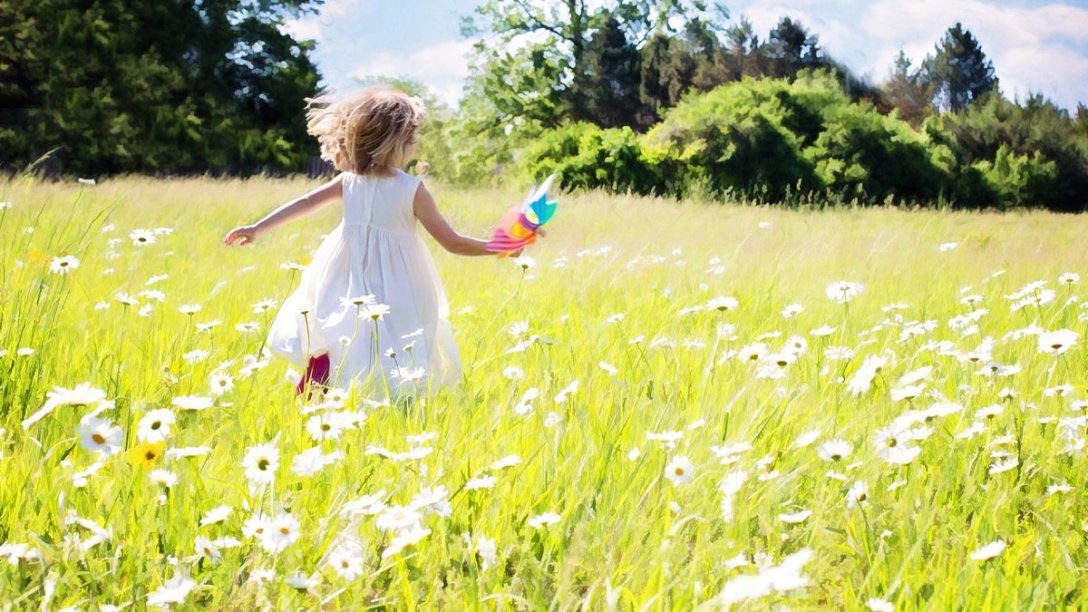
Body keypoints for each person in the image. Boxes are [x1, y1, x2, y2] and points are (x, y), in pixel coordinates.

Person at [223, 86, 500, 398]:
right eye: (410, 139)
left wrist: (259, 227)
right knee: (395, 341)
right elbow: (453, 242)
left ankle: (323, 393)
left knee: (341, 331)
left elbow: (305, 203)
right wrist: (497, 246)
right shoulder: (411, 189)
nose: (415, 145)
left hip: (344, 272)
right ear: (392, 143)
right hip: (397, 281)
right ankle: (385, 401)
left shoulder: (350, 180)